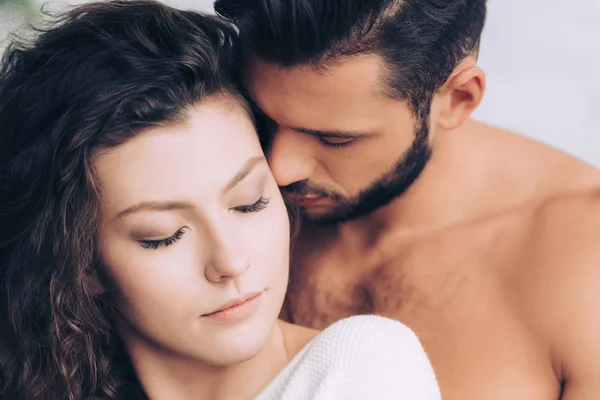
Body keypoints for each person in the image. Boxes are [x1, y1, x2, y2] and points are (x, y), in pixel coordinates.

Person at [0, 1, 441, 399]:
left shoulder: (363, 366)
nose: (230, 262)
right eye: (164, 236)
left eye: (250, 203)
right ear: (82, 262)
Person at [214, 0, 600, 398]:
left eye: (335, 139)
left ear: (458, 99)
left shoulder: (583, 262)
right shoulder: (198, 193)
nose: (278, 170)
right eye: (261, 118)